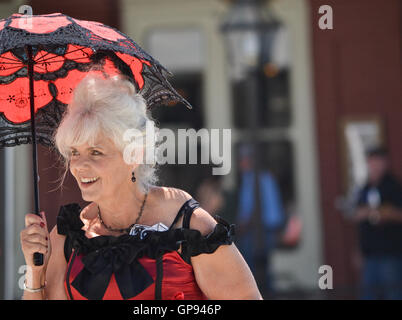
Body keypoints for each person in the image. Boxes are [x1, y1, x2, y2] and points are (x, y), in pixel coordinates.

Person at [20, 74, 261, 300]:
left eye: (95, 152)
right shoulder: (68, 236)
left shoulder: (187, 225)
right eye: (74, 152)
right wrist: (34, 271)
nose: (79, 165)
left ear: (134, 154)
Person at [234, 144, 286, 298]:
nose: (240, 164)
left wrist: (242, 225)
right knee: (263, 266)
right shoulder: (264, 177)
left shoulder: (254, 179)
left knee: (251, 268)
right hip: (266, 228)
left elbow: (253, 206)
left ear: (249, 160)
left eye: (242, 160)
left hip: (258, 230)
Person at [352, 146, 402, 299]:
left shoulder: (393, 187)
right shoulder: (365, 189)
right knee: (369, 294)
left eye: (378, 161)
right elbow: (358, 217)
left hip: (390, 252)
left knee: (393, 293)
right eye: (372, 162)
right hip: (370, 253)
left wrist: (379, 212)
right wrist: (358, 249)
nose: (375, 165)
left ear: (385, 163)